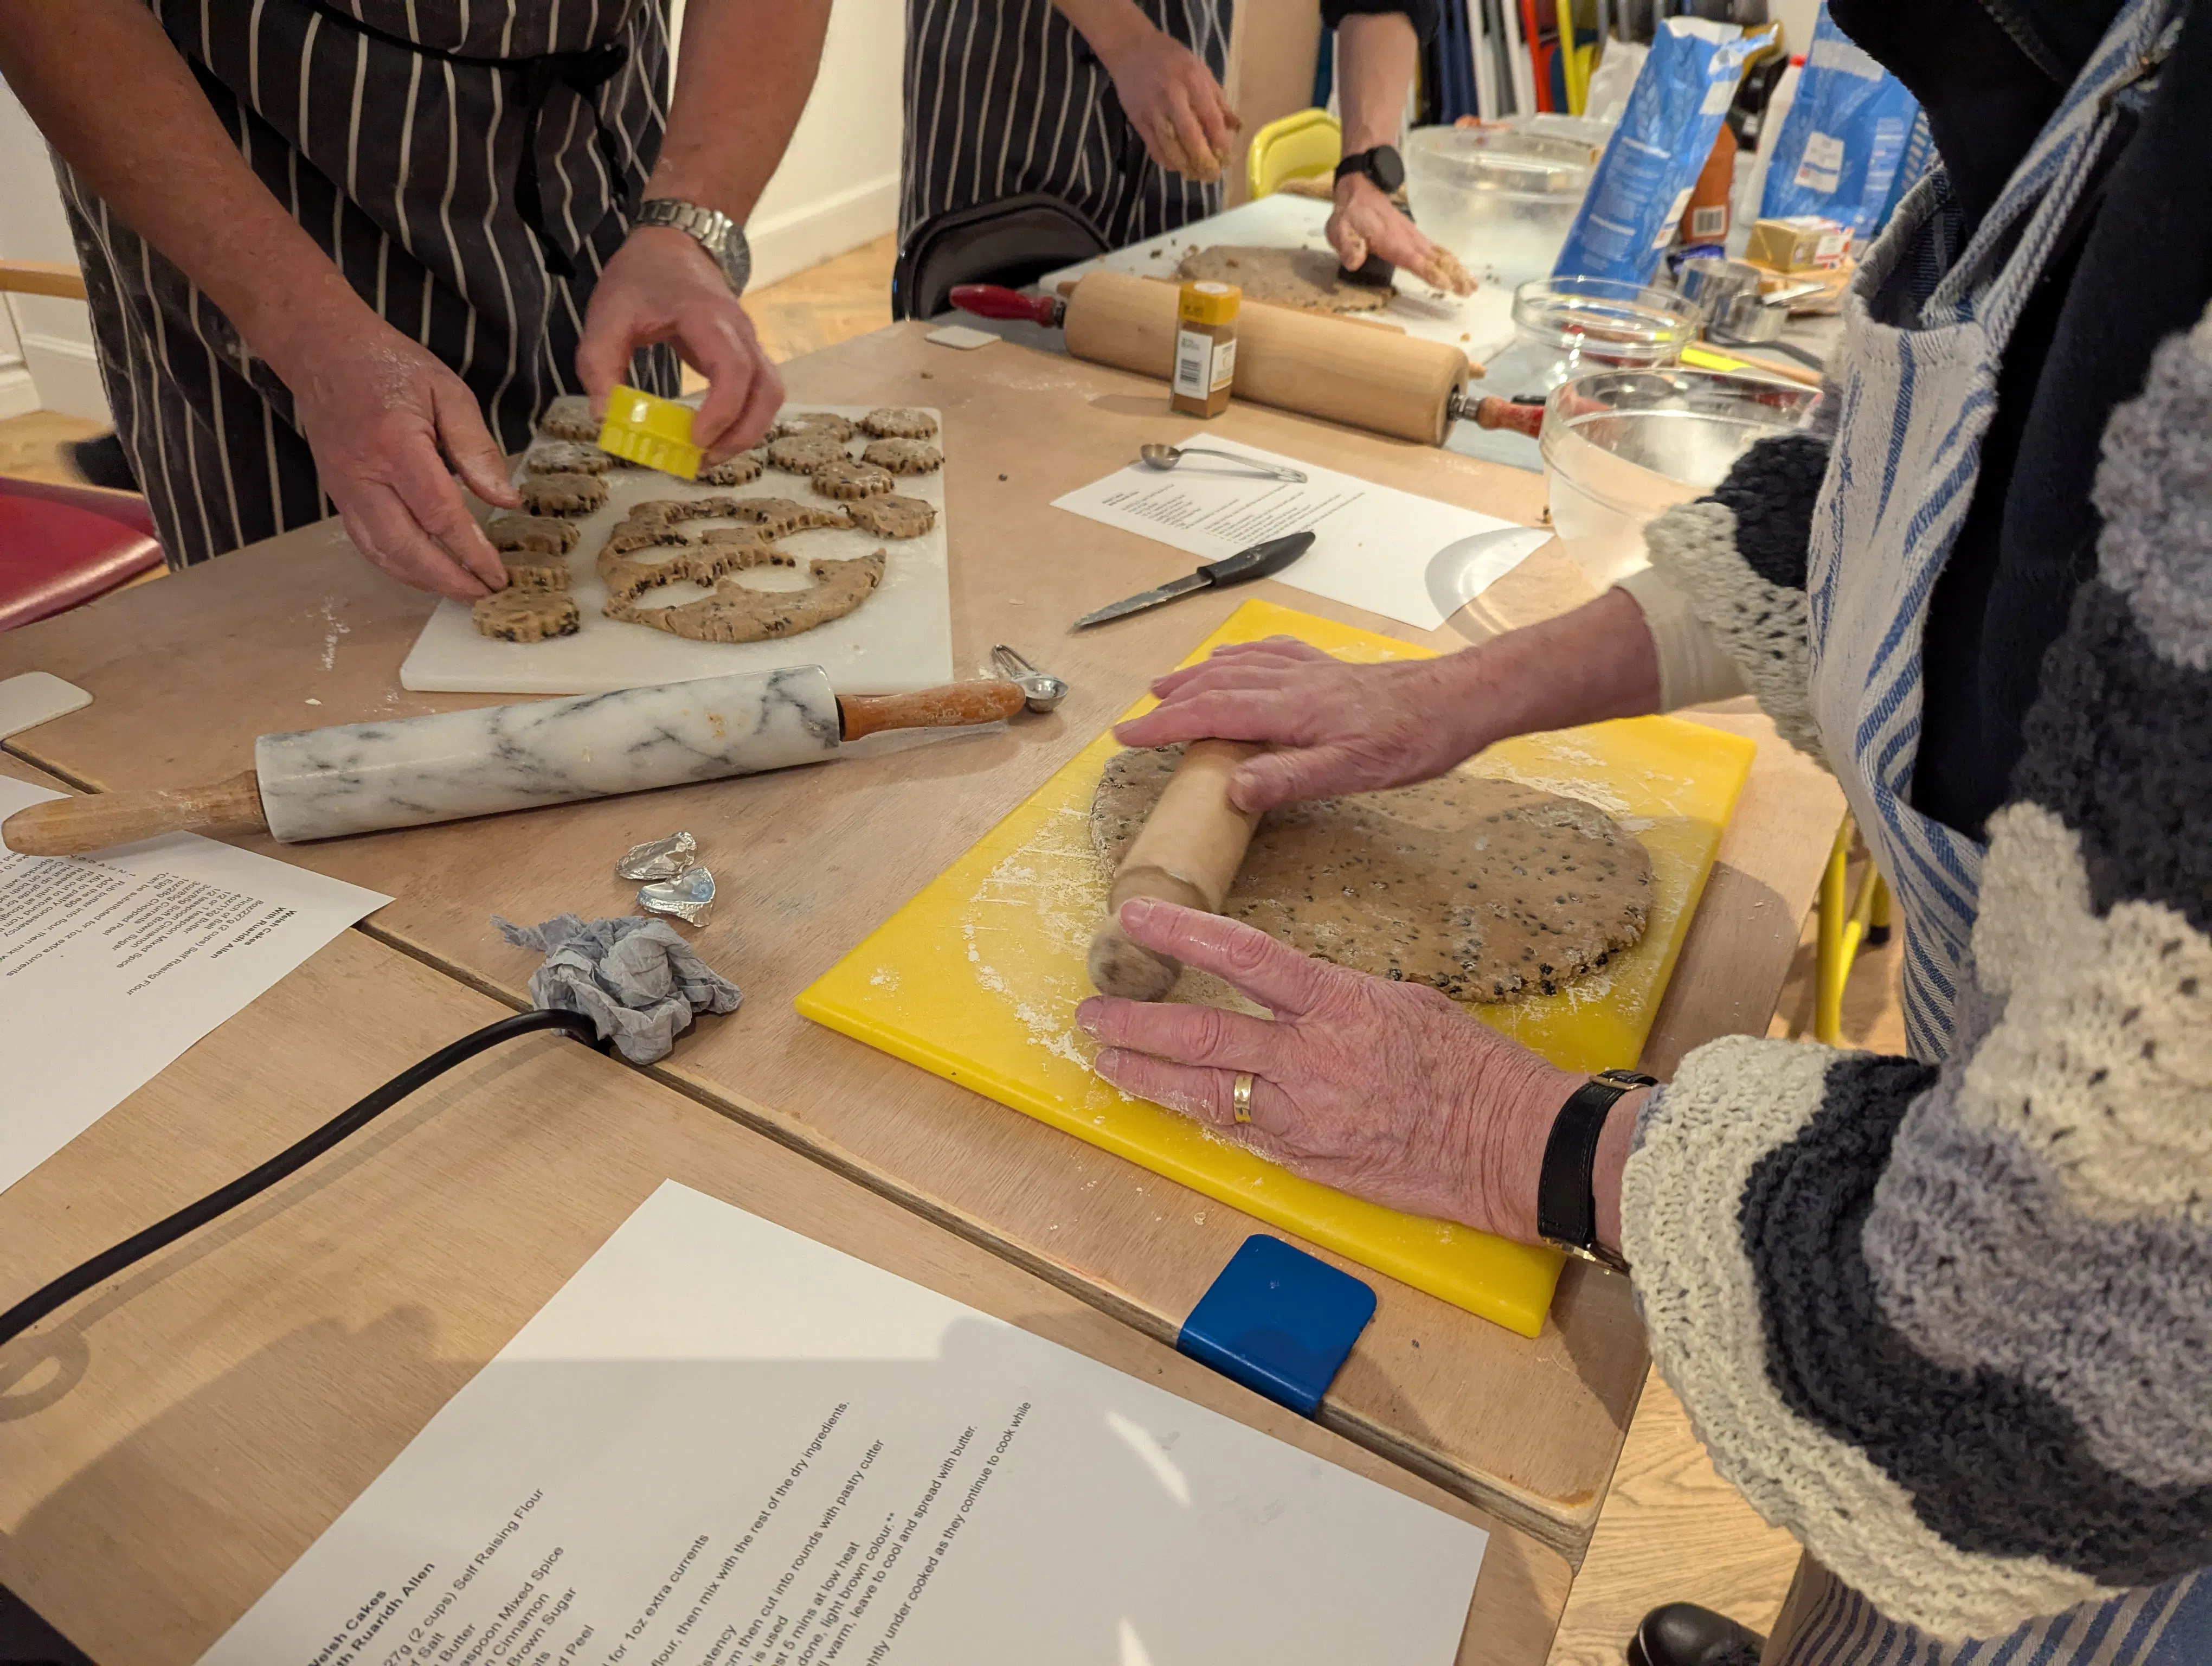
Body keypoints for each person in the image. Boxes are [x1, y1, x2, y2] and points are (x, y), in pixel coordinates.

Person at [1076, 0, 2211, 1661]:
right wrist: (1453, 697)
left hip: (2119, 1481)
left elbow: (2079, 1301)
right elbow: (1875, 494)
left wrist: (1513, 1132)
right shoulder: (2084, 69)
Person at [0, 0, 820, 601]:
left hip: (599, 164)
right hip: (254, 175)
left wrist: (689, 227)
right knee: (322, 642)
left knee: (631, 561)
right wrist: (305, 331)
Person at [899, 0, 1473, 293]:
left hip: (1176, 78)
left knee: (1162, 337)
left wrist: (1366, 167)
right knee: (979, 356)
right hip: (1012, 69)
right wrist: (1125, 39)